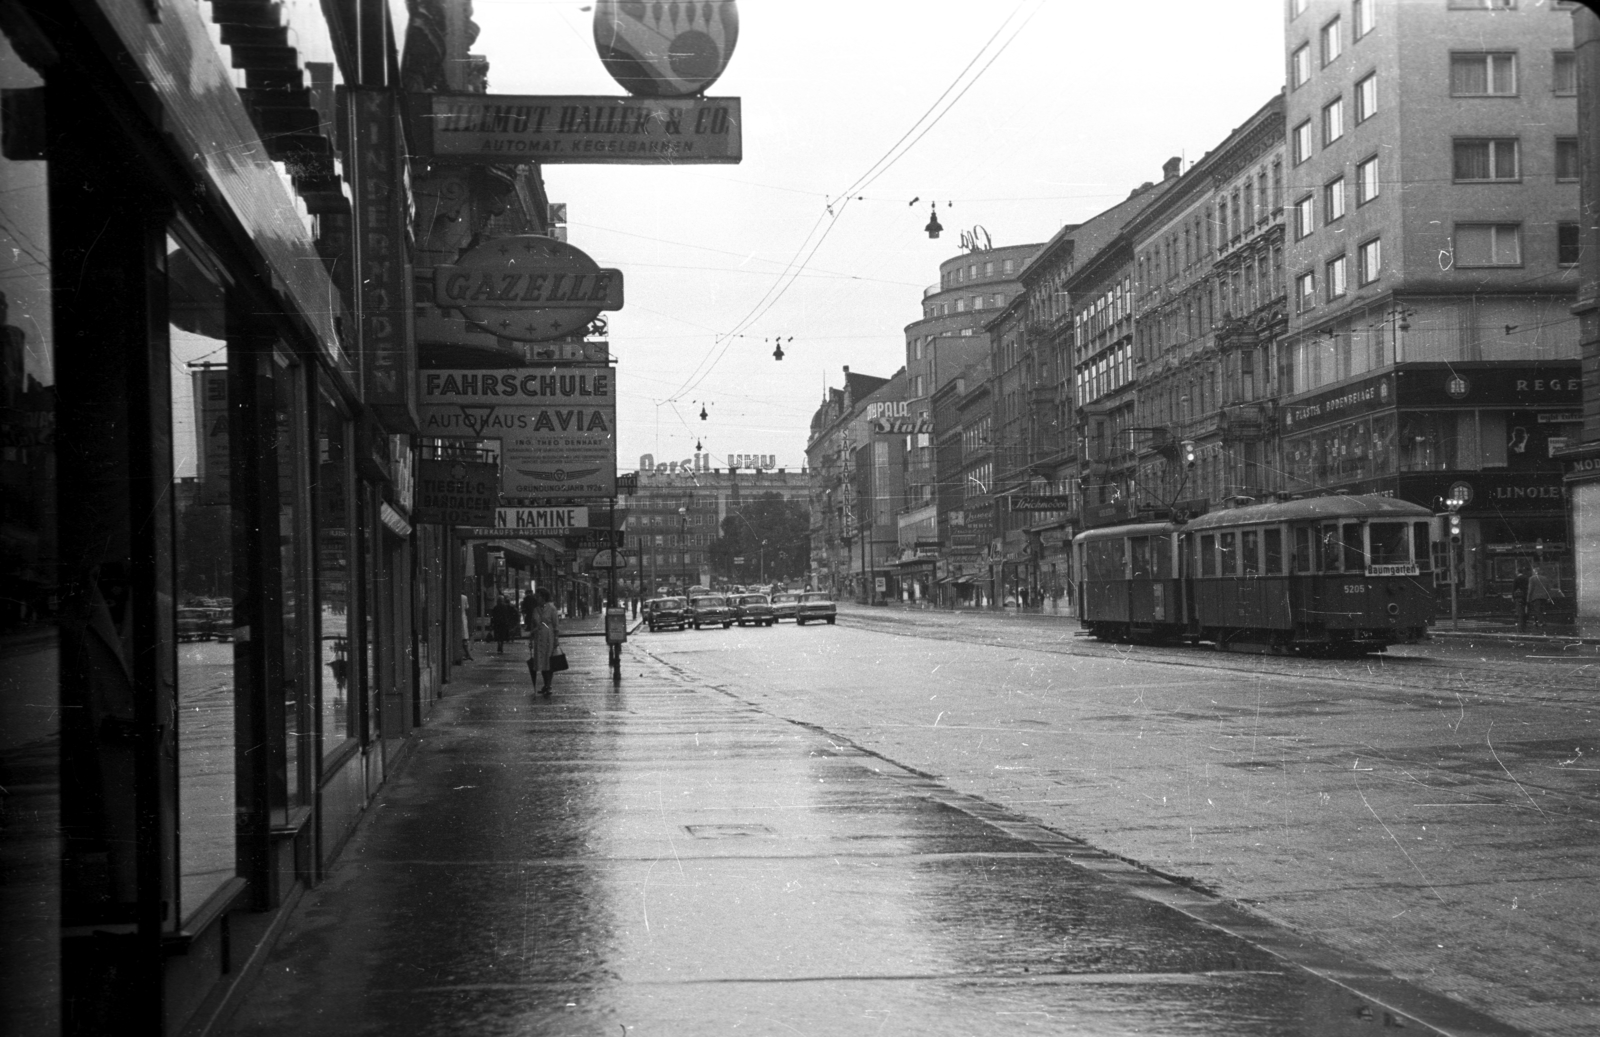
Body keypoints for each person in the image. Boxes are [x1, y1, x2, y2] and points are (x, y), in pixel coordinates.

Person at [530, 587, 560, 695]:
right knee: (541, 662)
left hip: (549, 637)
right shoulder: (536, 609)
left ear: (543, 597)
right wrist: (531, 637)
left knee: (549, 661)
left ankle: (549, 685)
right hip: (539, 638)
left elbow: (556, 625)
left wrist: (556, 638)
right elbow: (533, 624)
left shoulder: (551, 608)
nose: (536, 598)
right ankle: (545, 684)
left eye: (538, 596)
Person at [1512, 567, 1530, 632]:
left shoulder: (1516, 579)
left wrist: (1513, 597)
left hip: (1519, 596)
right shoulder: (1526, 578)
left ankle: (1520, 626)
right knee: (1526, 610)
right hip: (1526, 596)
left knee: (1520, 611)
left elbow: (1514, 588)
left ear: (1517, 572)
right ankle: (1524, 624)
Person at [458, 593, 473, 661]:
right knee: (464, 637)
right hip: (463, 617)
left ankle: (467, 654)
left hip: (458, 618)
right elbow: (467, 607)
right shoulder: (464, 597)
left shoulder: (457, 597)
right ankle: (467, 654)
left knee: (462, 636)